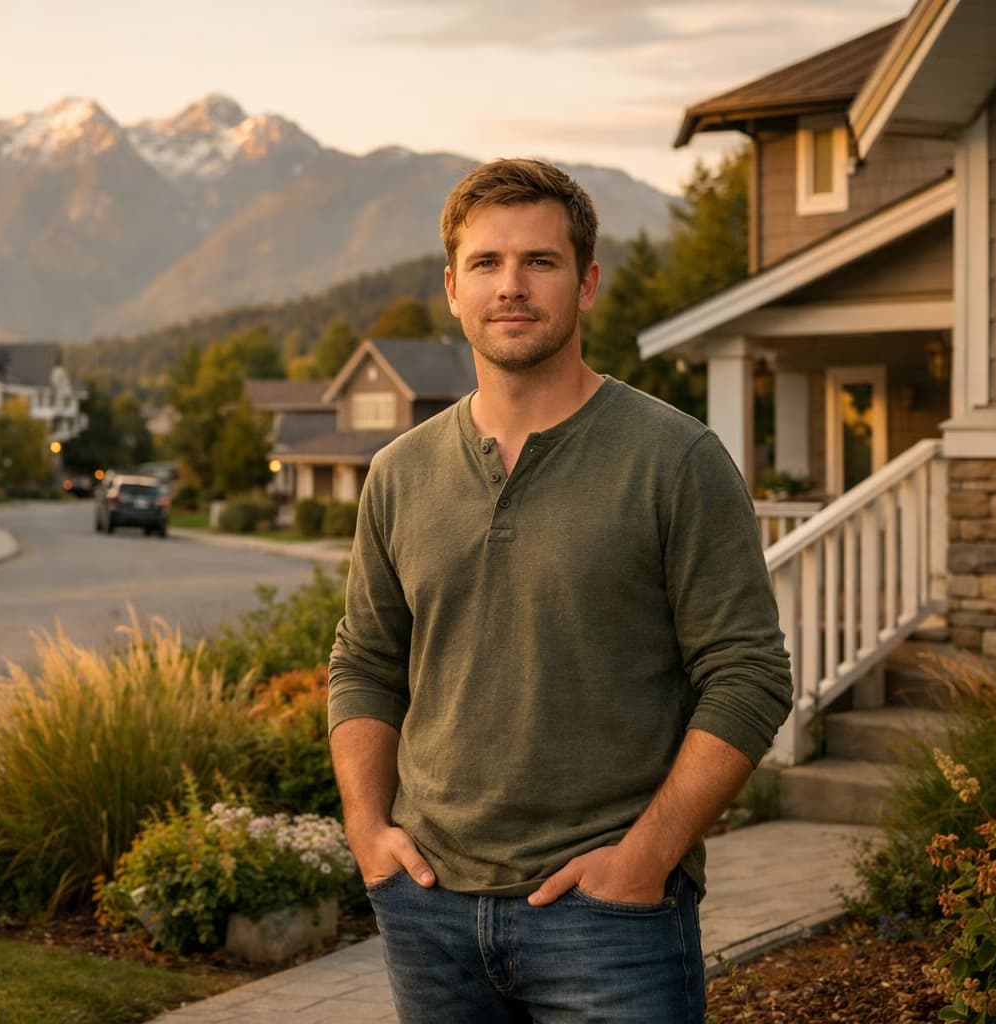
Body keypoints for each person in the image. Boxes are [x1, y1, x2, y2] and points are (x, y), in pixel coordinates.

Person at [326, 158, 794, 1023]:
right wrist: (367, 827)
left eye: (540, 262)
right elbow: (364, 661)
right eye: (487, 264)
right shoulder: (398, 474)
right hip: (428, 911)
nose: (512, 286)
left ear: (586, 284)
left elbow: (750, 676)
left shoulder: (675, 460)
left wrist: (645, 860)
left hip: (609, 921)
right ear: (453, 289)